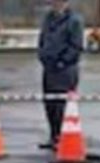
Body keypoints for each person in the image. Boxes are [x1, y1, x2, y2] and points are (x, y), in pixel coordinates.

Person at [38, 0, 85, 149]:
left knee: (61, 105)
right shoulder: (48, 18)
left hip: (65, 70)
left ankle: (63, 136)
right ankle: (54, 135)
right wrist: (43, 56)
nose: (55, 5)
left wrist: (63, 62)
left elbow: (76, 46)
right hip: (49, 67)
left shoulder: (74, 21)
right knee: (50, 104)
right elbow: (43, 39)